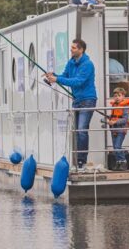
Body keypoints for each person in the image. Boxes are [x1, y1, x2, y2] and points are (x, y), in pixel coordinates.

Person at [45, 39, 97, 170]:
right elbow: (65, 76)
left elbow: (78, 81)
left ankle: (81, 161)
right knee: (76, 131)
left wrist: (58, 79)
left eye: (74, 48)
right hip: (77, 100)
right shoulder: (71, 62)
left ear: (81, 50)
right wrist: (53, 76)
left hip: (88, 100)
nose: (71, 49)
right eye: (71, 47)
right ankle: (78, 160)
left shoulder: (88, 64)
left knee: (81, 130)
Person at [108, 87, 129, 171]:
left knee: (118, 146)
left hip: (121, 130)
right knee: (115, 147)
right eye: (115, 96)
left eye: (119, 95)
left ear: (123, 96)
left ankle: (123, 161)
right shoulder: (114, 105)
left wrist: (115, 122)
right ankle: (118, 162)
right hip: (113, 130)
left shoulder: (125, 106)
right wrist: (109, 121)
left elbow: (125, 119)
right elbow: (113, 117)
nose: (117, 97)